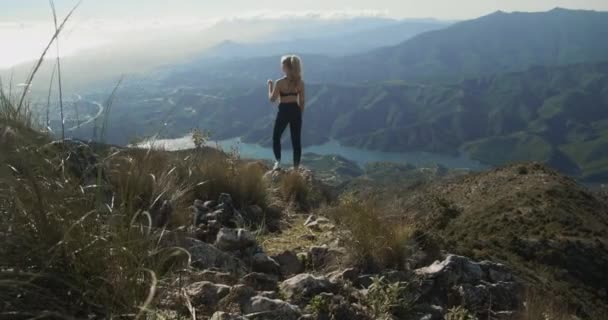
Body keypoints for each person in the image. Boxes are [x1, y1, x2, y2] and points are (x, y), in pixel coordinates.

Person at [267, 55, 305, 171]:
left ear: (286, 67)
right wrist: (299, 114)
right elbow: (302, 101)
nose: (281, 66)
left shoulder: (279, 83)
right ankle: (296, 168)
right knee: (296, 141)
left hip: (283, 111)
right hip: (296, 111)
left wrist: (269, 85)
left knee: (276, 137)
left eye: (282, 65)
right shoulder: (300, 82)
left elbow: (272, 99)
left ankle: (278, 162)